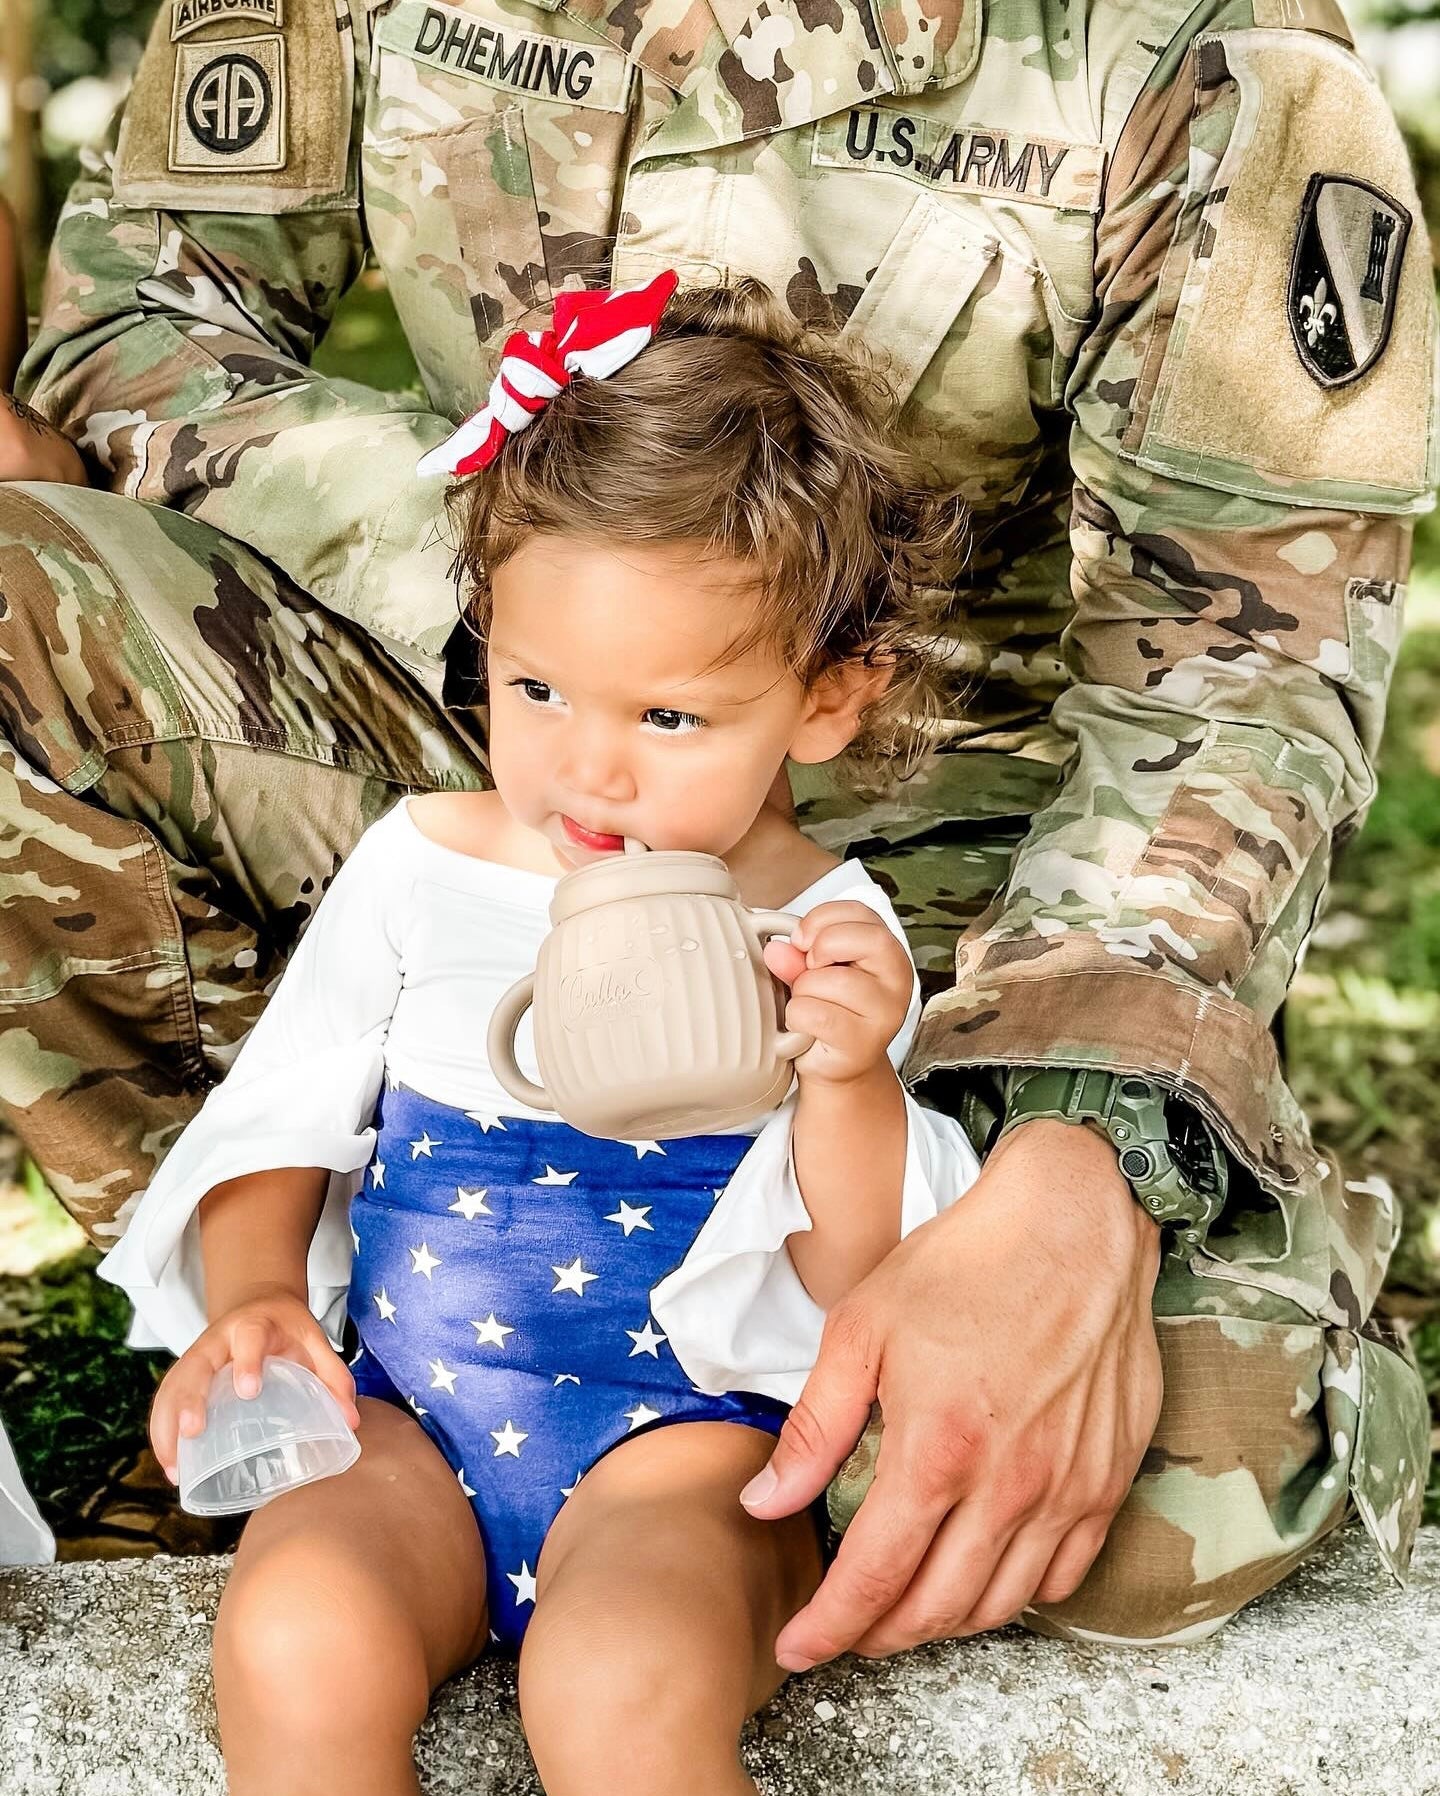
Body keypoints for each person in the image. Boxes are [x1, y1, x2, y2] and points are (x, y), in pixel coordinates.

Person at [3, 0, 1435, 1659]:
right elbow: (133, 325)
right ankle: (295, 1361)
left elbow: (1240, 678)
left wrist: (1080, 1157)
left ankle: (683, 1451)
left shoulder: (1204, 45)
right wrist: (548, 567)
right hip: (499, 755)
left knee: (1158, 1496)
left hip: (972, 913)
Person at [101, 277, 982, 1792]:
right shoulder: (425, 860)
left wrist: (843, 1080)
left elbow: (855, 1276)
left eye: (670, 719)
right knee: (298, 1632)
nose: (589, 766)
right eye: (536, 686)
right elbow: (289, 1114)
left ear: (831, 698)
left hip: (684, 1451)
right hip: (411, 1424)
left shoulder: (828, 934)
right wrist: (256, 1296)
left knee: (619, 1688)